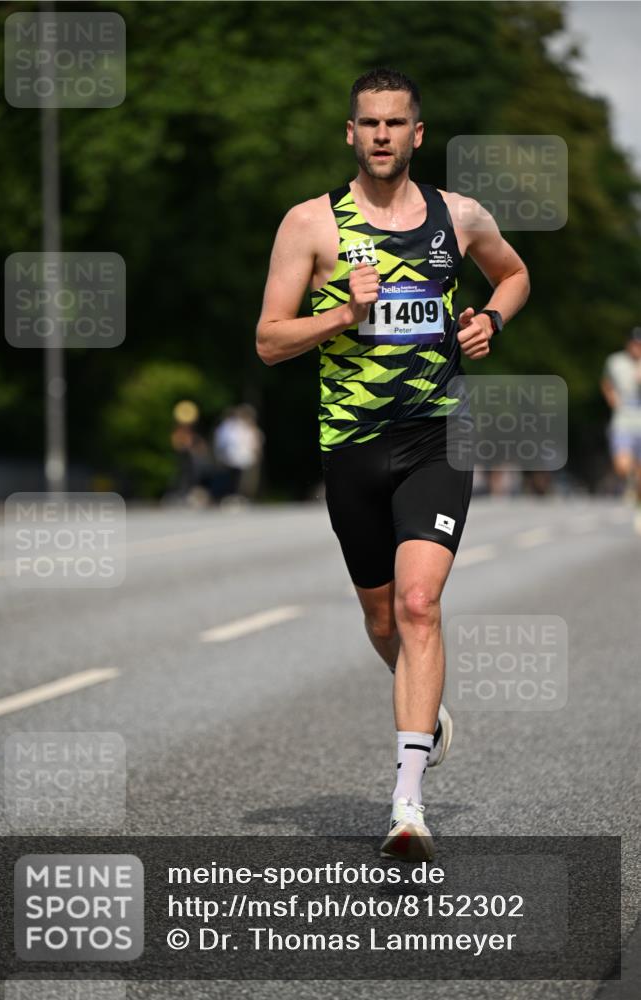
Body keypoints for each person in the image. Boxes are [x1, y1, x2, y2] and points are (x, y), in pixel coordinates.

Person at [256, 68, 530, 860]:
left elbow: (511, 275)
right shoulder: (310, 225)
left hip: (436, 433)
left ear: (417, 133)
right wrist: (343, 311)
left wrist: (488, 322)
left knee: (418, 604)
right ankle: (426, 712)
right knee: (383, 620)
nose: (381, 135)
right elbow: (269, 340)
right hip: (350, 444)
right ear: (350, 134)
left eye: (395, 123)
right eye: (367, 123)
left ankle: (406, 803)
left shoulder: (459, 217)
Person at [600, 327, 641, 531]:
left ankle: (638, 506)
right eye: (635, 344)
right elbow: (606, 383)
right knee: (622, 465)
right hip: (623, 418)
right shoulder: (616, 362)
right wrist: (611, 398)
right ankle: (632, 483)